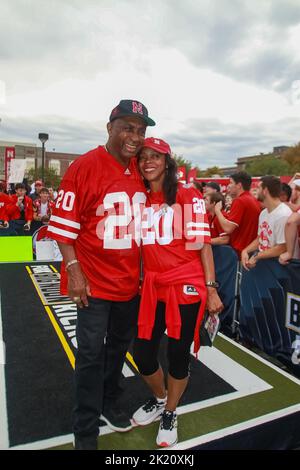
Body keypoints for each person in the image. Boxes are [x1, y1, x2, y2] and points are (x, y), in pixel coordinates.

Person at [47, 99, 155, 450]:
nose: (134, 136)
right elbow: (63, 230)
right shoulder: (84, 167)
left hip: (130, 282)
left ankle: (109, 400)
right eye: (127, 127)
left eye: (140, 130)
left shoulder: (142, 168)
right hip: (93, 281)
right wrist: (74, 270)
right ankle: (85, 426)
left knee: (118, 349)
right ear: (109, 128)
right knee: (91, 353)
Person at [131, 138, 223, 447]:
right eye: (143, 156)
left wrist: (211, 289)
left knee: (177, 353)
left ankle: (171, 411)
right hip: (154, 285)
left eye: (155, 156)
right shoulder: (141, 198)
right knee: (142, 351)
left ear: (168, 162)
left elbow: (203, 245)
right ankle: (159, 398)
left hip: (185, 283)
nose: (148, 161)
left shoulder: (185, 194)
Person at [241, 176, 293, 270]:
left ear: (265, 191)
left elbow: (282, 247)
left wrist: (257, 256)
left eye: (258, 188)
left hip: (278, 267)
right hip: (264, 263)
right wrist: (245, 251)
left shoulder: (283, 214)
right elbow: (260, 238)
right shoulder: (263, 213)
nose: (256, 191)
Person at [214, 172, 261, 258]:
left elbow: (228, 228)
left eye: (231, 182)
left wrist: (217, 211)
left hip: (240, 252)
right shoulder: (252, 200)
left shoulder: (240, 201)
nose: (229, 186)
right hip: (249, 250)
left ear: (239, 185)